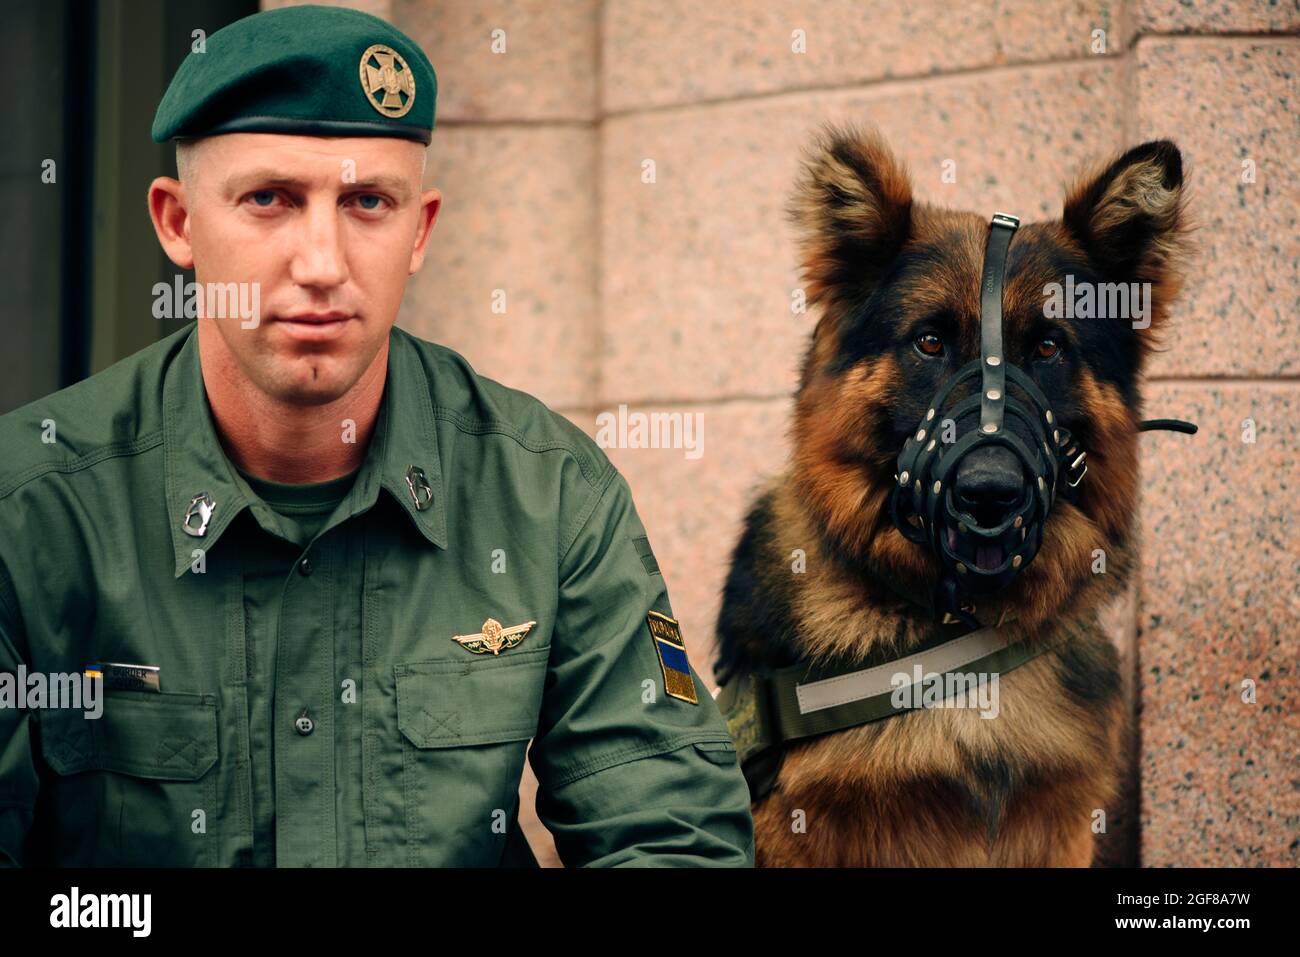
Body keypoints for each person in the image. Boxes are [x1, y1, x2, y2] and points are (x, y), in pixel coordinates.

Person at [0, 3, 753, 867]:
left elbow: (672, 838)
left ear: (420, 229)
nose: (322, 262)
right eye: (269, 199)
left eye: (366, 202)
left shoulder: (544, 494)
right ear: (177, 223)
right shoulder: (31, 512)